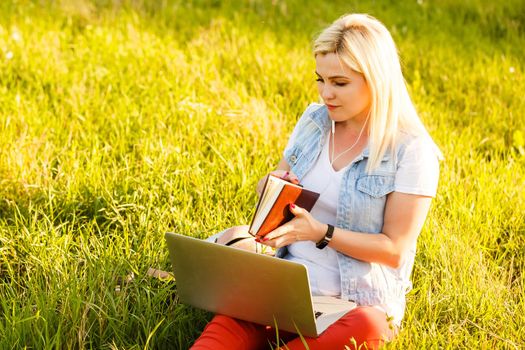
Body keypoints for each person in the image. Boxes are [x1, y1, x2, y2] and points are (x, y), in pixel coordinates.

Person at [192, 13, 441, 350]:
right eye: (320, 80)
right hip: (284, 282)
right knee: (220, 334)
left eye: (339, 83)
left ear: (376, 80)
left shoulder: (411, 150)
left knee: (368, 327)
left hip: (351, 303)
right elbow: (276, 186)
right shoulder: (315, 120)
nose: (326, 93)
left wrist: (321, 233)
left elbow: (394, 250)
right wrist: (271, 185)